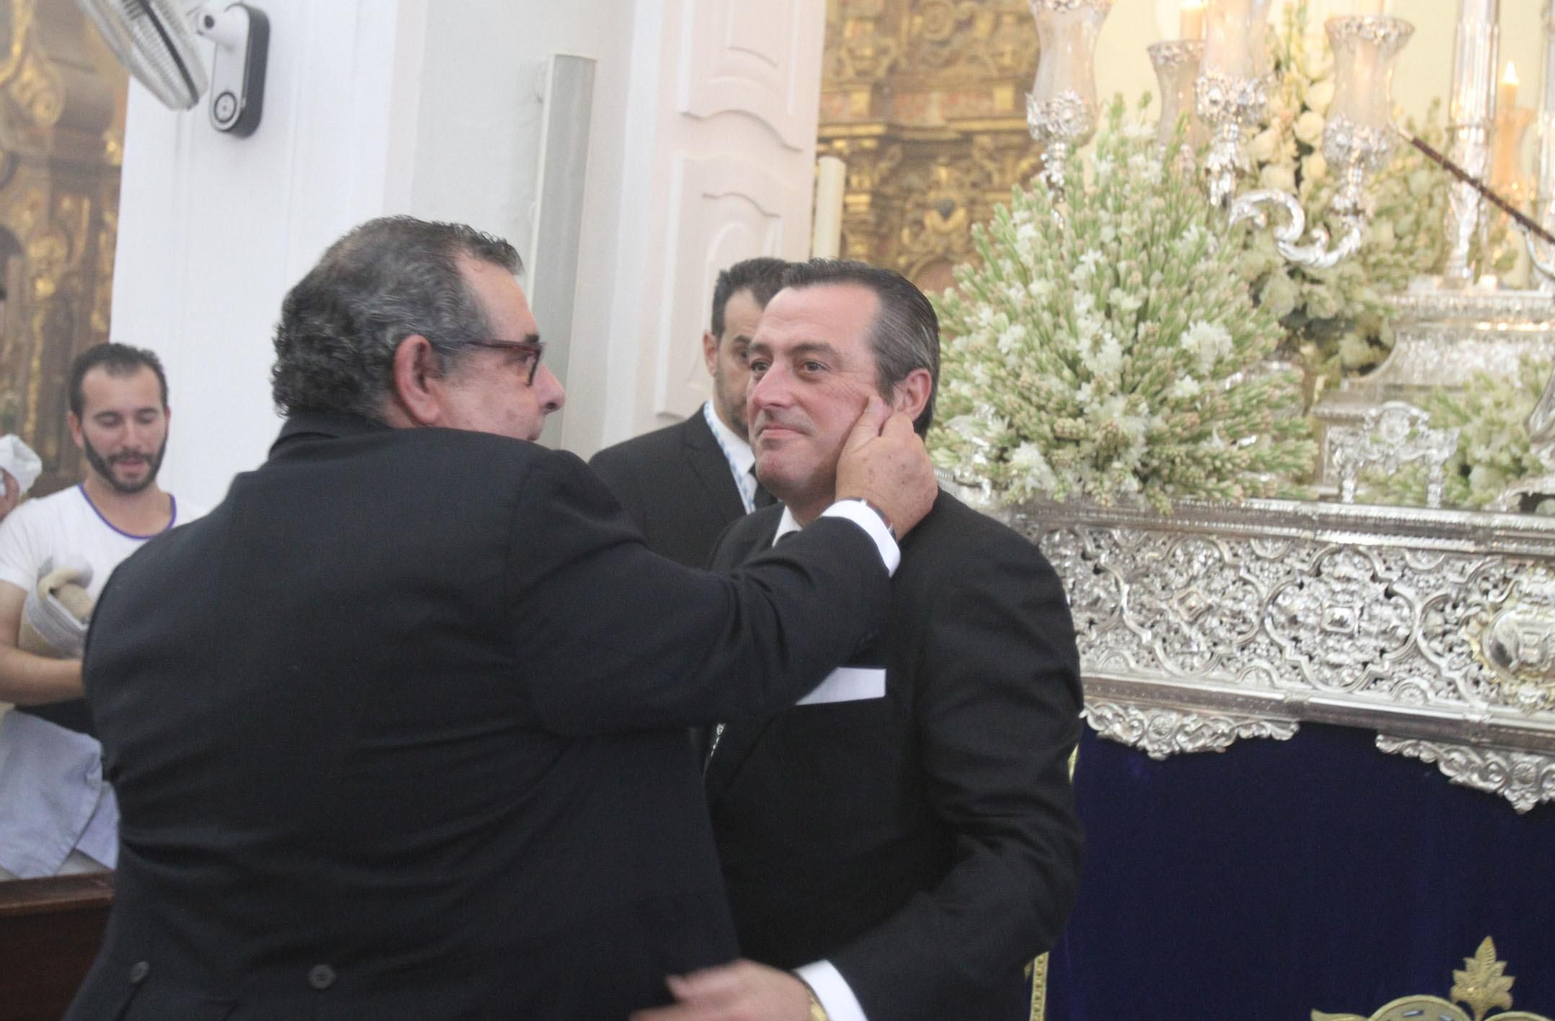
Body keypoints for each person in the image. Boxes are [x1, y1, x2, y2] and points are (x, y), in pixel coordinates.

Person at [66, 218, 936, 1020]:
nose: (553, 391)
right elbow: (745, 641)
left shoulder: (144, 588)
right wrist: (866, 517)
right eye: (524, 360)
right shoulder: (506, 512)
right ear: (418, 374)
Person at [640, 260, 1084, 1021]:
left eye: (810, 366)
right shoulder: (742, 543)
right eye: (758, 362)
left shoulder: (981, 574)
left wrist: (824, 998)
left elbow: (1024, 864)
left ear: (907, 397)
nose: (765, 393)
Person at [0, 342, 199, 880]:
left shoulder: (209, 535)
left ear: (167, 419)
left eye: (145, 418)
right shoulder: (34, 526)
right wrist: (102, 673)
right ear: (76, 427)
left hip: (165, 821)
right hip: (37, 823)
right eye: (109, 421)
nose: (131, 440)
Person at [591, 257, 788, 566]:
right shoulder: (626, 475)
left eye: (792, 362)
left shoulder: (825, 480)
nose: (766, 387)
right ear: (711, 353)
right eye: (749, 358)